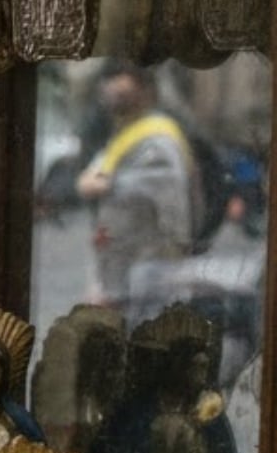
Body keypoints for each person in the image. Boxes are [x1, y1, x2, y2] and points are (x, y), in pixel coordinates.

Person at [76, 64, 199, 306]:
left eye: (122, 95)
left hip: (148, 261)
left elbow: (160, 184)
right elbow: (89, 178)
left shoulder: (159, 136)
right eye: (110, 92)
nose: (111, 97)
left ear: (146, 92)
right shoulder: (124, 134)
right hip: (120, 259)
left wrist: (107, 184)